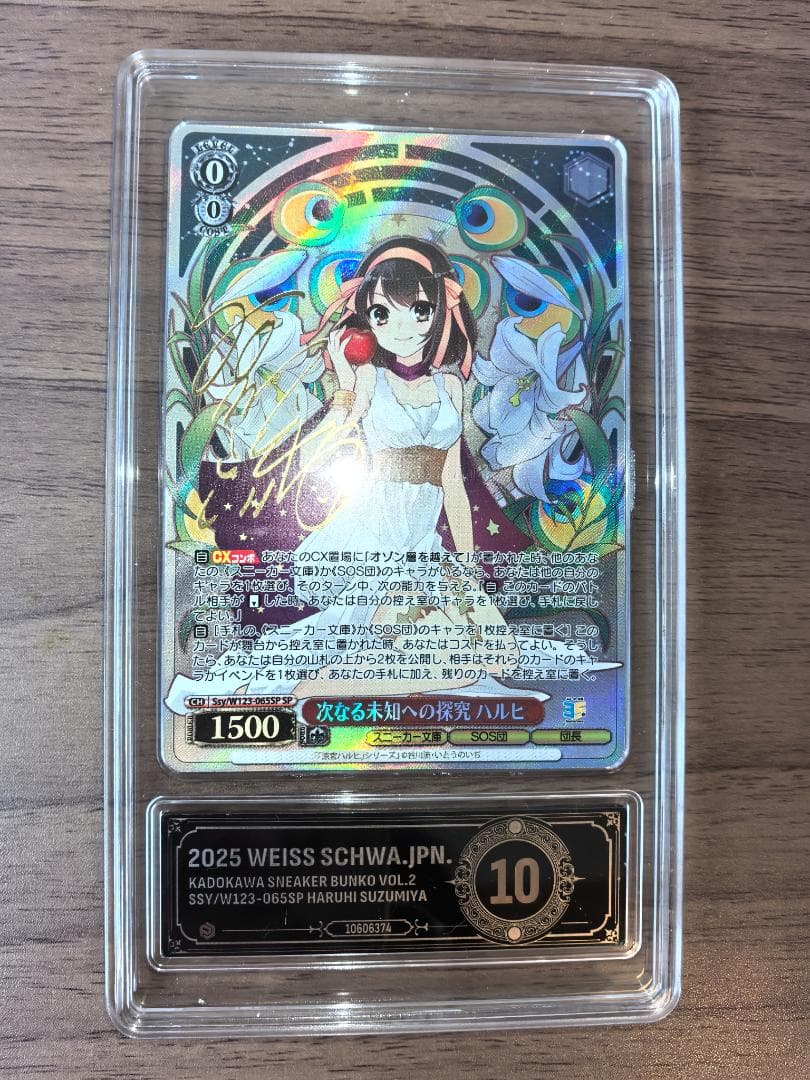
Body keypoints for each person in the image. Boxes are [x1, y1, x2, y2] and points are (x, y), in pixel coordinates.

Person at [165, 237, 520, 713]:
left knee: (502, 655)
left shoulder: (451, 386)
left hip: (424, 545)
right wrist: (346, 392)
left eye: (419, 310)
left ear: (440, 311)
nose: (403, 327)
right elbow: (322, 449)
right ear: (367, 319)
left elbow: (453, 482)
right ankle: (309, 690)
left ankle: (341, 677)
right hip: (376, 544)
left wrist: (466, 562)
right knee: (458, 665)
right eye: (382, 314)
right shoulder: (370, 378)